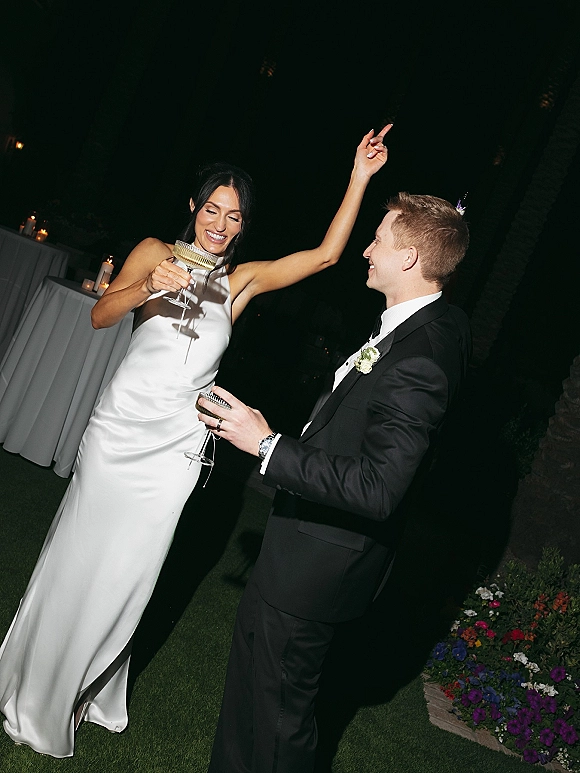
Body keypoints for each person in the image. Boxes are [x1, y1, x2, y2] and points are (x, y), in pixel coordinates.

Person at [0, 127, 390, 758]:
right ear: (194, 207)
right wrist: (151, 284)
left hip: (176, 448)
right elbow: (102, 314)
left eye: (234, 217)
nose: (221, 223)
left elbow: (322, 257)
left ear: (241, 227)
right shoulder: (155, 251)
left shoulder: (240, 284)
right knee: (79, 556)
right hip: (118, 431)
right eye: (213, 209)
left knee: (130, 574)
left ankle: (89, 682)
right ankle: (37, 683)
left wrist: (360, 177)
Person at [198, 191, 472, 772]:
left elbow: (378, 488)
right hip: (303, 549)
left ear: (408, 261)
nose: (367, 250)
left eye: (380, 240)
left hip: (316, 571)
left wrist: (266, 443)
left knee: (276, 728)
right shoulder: (426, 322)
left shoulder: (424, 354)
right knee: (250, 700)